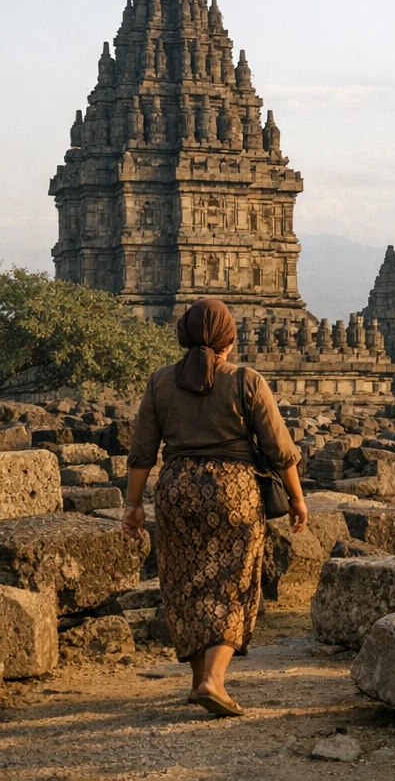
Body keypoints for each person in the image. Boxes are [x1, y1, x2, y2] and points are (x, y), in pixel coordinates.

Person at [122, 298, 308, 718]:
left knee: (184, 582)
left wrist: (133, 505)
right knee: (232, 583)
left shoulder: (160, 382)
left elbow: (141, 453)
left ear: (183, 335)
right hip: (234, 491)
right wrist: (296, 499)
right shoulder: (246, 379)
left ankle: (196, 681)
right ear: (230, 338)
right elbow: (281, 450)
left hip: (176, 490)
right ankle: (213, 680)